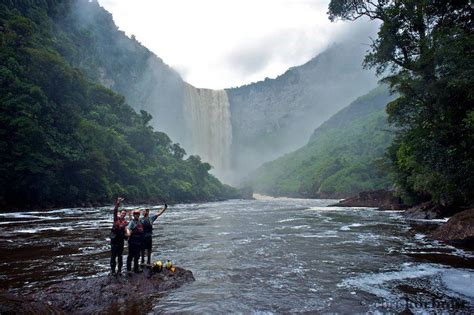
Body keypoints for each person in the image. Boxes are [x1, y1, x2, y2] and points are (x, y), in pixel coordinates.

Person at [110, 197, 128, 276]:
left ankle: (119, 270)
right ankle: (113, 271)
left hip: (121, 241)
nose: (123, 214)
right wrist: (118, 202)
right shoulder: (115, 219)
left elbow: (128, 229)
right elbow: (115, 210)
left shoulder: (125, 222)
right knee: (113, 256)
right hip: (114, 241)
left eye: (124, 214)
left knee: (120, 256)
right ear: (120, 213)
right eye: (122, 213)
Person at [125, 209, 144, 273]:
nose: (137, 215)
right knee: (130, 255)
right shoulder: (132, 222)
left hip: (139, 241)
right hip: (132, 241)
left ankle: (136, 268)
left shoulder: (140, 221)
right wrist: (128, 233)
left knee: (137, 255)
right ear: (134, 215)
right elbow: (128, 228)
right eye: (135, 214)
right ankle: (129, 269)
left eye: (138, 214)